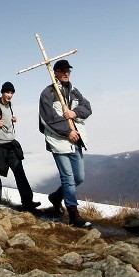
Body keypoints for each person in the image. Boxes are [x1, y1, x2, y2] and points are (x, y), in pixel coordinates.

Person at [39, 60, 92, 228]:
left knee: (79, 177)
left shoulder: (74, 91)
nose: (66, 73)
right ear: (54, 72)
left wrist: (75, 113)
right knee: (68, 178)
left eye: (68, 70)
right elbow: (48, 118)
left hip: (75, 139)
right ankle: (73, 215)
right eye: (62, 70)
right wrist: (67, 131)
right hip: (59, 140)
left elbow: (87, 107)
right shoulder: (47, 93)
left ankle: (56, 197)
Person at [0, 82, 40, 211]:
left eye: (11, 93)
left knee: (19, 171)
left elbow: (5, 119)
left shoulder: (9, 105)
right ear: (2, 92)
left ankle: (27, 202)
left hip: (11, 143)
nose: (9, 95)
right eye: (7, 92)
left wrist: (12, 119)